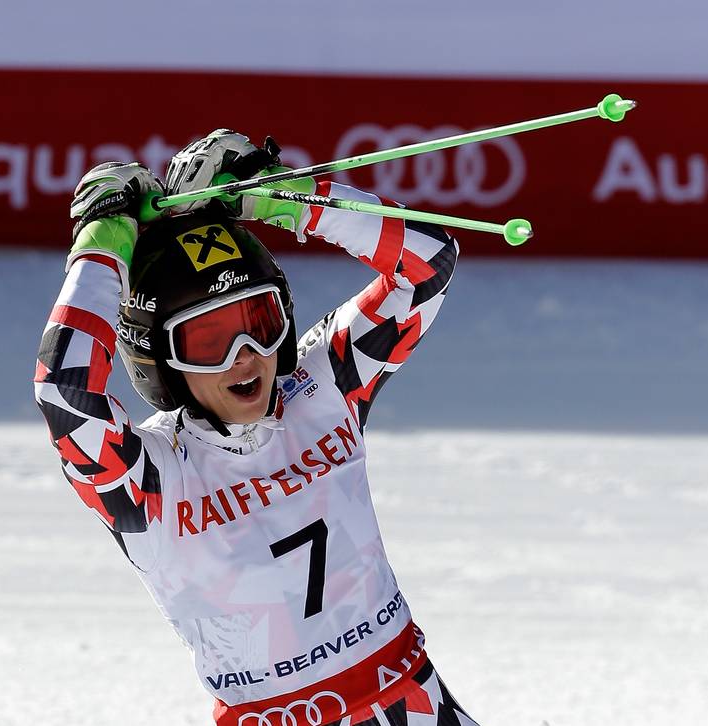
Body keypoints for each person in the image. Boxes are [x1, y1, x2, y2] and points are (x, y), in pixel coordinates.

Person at [35, 130, 479, 726]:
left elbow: (426, 263)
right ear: (158, 360)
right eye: (209, 342)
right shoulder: (152, 481)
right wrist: (101, 246)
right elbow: (66, 391)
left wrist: (281, 198)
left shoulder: (324, 389)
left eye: (259, 322)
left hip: (416, 707)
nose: (246, 357)